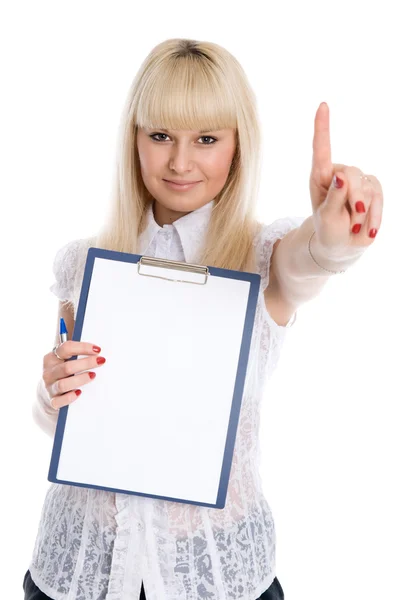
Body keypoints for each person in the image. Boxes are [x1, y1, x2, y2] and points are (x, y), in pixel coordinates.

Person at [24, 38, 382, 600]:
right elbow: (64, 425)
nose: (180, 162)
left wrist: (336, 238)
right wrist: (53, 393)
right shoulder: (83, 262)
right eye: (161, 135)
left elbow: (311, 261)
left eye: (207, 139)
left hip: (215, 575)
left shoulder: (261, 256)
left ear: (237, 147)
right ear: (134, 139)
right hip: (80, 573)